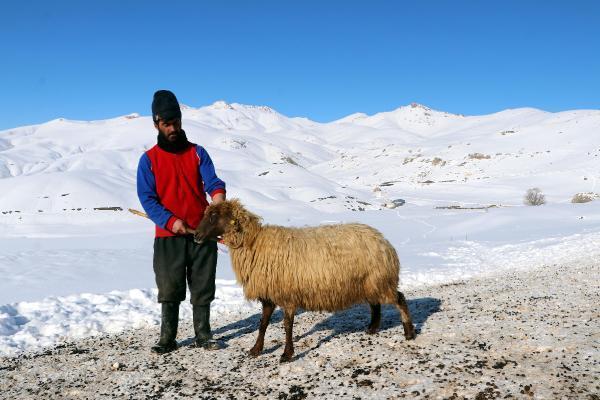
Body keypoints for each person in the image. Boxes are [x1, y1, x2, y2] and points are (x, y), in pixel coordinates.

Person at [136, 90, 226, 353]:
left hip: (202, 232)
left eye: (176, 122)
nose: (173, 128)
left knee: (203, 284)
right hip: (169, 235)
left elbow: (213, 183)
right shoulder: (149, 160)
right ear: (156, 124)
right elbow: (148, 199)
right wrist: (173, 222)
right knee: (170, 287)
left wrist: (218, 204)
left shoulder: (198, 153)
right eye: (166, 124)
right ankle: (168, 338)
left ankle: (203, 334)